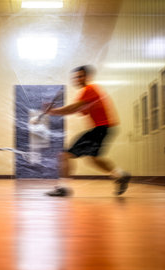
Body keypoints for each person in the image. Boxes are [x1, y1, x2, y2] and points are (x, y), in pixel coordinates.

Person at [45, 65, 131, 196]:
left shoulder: (89, 89)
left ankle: (63, 188)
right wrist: (58, 110)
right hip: (105, 128)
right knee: (94, 158)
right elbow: (79, 110)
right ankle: (120, 174)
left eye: (80, 76)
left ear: (87, 77)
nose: (77, 79)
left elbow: (73, 108)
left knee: (64, 155)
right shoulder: (89, 92)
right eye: (76, 77)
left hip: (101, 128)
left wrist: (52, 111)